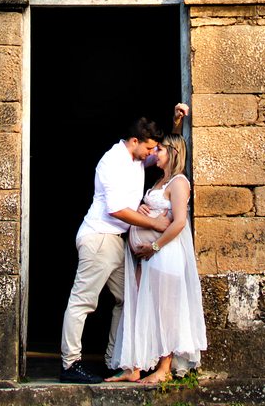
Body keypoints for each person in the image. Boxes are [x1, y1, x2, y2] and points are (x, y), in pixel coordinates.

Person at [58, 113, 172, 384]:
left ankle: (113, 361)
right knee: (83, 301)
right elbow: (117, 209)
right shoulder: (113, 161)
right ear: (134, 141)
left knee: (128, 299)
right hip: (99, 237)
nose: (151, 154)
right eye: (148, 148)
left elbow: (167, 152)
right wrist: (154, 223)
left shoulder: (136, 155)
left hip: (113, 242)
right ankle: (70, 365)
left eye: (152, 150)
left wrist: (177, 122)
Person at [106, 120, 206, 384]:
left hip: (165, 255)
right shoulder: (160, 181)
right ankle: (135, 367)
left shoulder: (179, 182)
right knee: (142, 306)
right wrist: (140, 210)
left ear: (171, 153)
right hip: (148, 259)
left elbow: (180, 222)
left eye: (159, 150)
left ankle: (164, 369)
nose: (154, 153)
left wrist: (154, 246)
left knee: (166, 309)